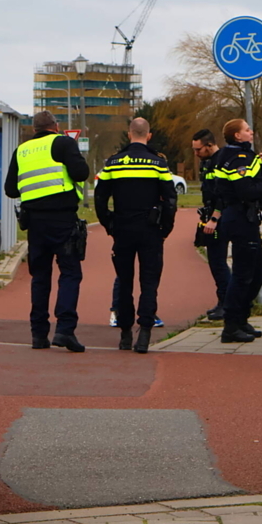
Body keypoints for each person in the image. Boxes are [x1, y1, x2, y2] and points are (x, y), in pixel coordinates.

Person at [4, 110, 90, 352]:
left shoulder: (21, 150)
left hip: (35, 223)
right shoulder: (63, 143)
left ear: (34, 129)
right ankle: (64, 330)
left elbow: (11, 189)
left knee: (40, 278)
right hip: (62, 219)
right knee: (70, 273)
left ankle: (38, 335)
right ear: (55, 126)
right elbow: (81, 173)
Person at [95, 117, 177, 353]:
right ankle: (145, 336)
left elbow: (101, 198)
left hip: (122, 229)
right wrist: (166, 229)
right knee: (149, 283)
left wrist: (109, 224)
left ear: (129, 134)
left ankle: (124, 335)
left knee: (124, 282)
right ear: (148, 136)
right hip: (151, 230)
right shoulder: (158, 164)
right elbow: (170, 199)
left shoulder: (113, 163)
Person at [213, 119, 262, 343]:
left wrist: (259, 167)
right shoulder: (238, 158)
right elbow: (245, 190)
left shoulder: (240, 155)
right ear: (237, 136)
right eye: (246, 129)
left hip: (245, 218)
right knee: (243, 274)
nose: (251, 131)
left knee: (257, 272)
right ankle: (231, 325)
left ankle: (241, 318)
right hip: (239, 217)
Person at [192, 128, 230, 321]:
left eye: (198, 149)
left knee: (218, 262)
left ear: (209, 145)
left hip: (219, 219)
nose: (196, 154)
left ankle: (227, 304)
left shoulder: (221, 161)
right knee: (215, 262)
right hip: (210, 215)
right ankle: (223, 302)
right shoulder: (207, 163)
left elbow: (224, 194)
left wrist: (214, 218)